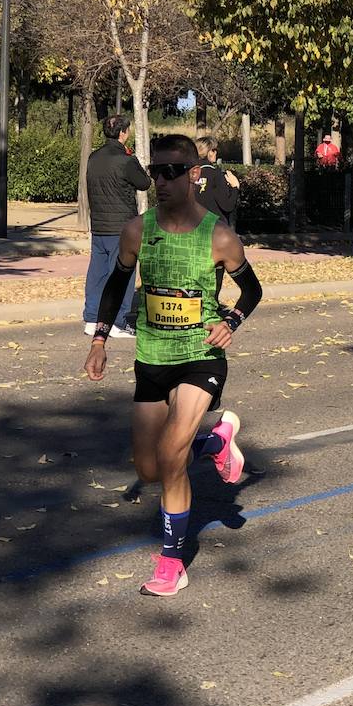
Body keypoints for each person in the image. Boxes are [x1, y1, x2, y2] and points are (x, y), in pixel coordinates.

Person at [83, 134, 263, 597]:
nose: (159, 181)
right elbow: (114, 283)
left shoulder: (219, 236)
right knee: (148, 468)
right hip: (152, 358)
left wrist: (232, 322)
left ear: (193, 175)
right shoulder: (136, 230)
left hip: (200, 358)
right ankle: (215, 442)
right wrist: (99, 339)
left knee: (169, 457)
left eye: (170, 172)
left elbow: (253, 290)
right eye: (155, 171)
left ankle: (171, 563)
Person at [83, 114, 148, 338]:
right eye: (127, 129)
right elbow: (144, 183)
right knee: (122, 274)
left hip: (99, 225)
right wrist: (136, 160)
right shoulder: (126, 160)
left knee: (97, 273)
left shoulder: (93, 157)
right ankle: (118, 322)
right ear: (123, 133)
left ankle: (92, 319)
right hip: (121, 226)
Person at [194, 136, 239, 229]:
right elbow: (227, 205)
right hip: (215, 229)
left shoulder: (188, 174)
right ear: (210, 152)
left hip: (193, 227)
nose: (216, 153)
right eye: (214, 150)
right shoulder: (215, 174)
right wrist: (235, 187)